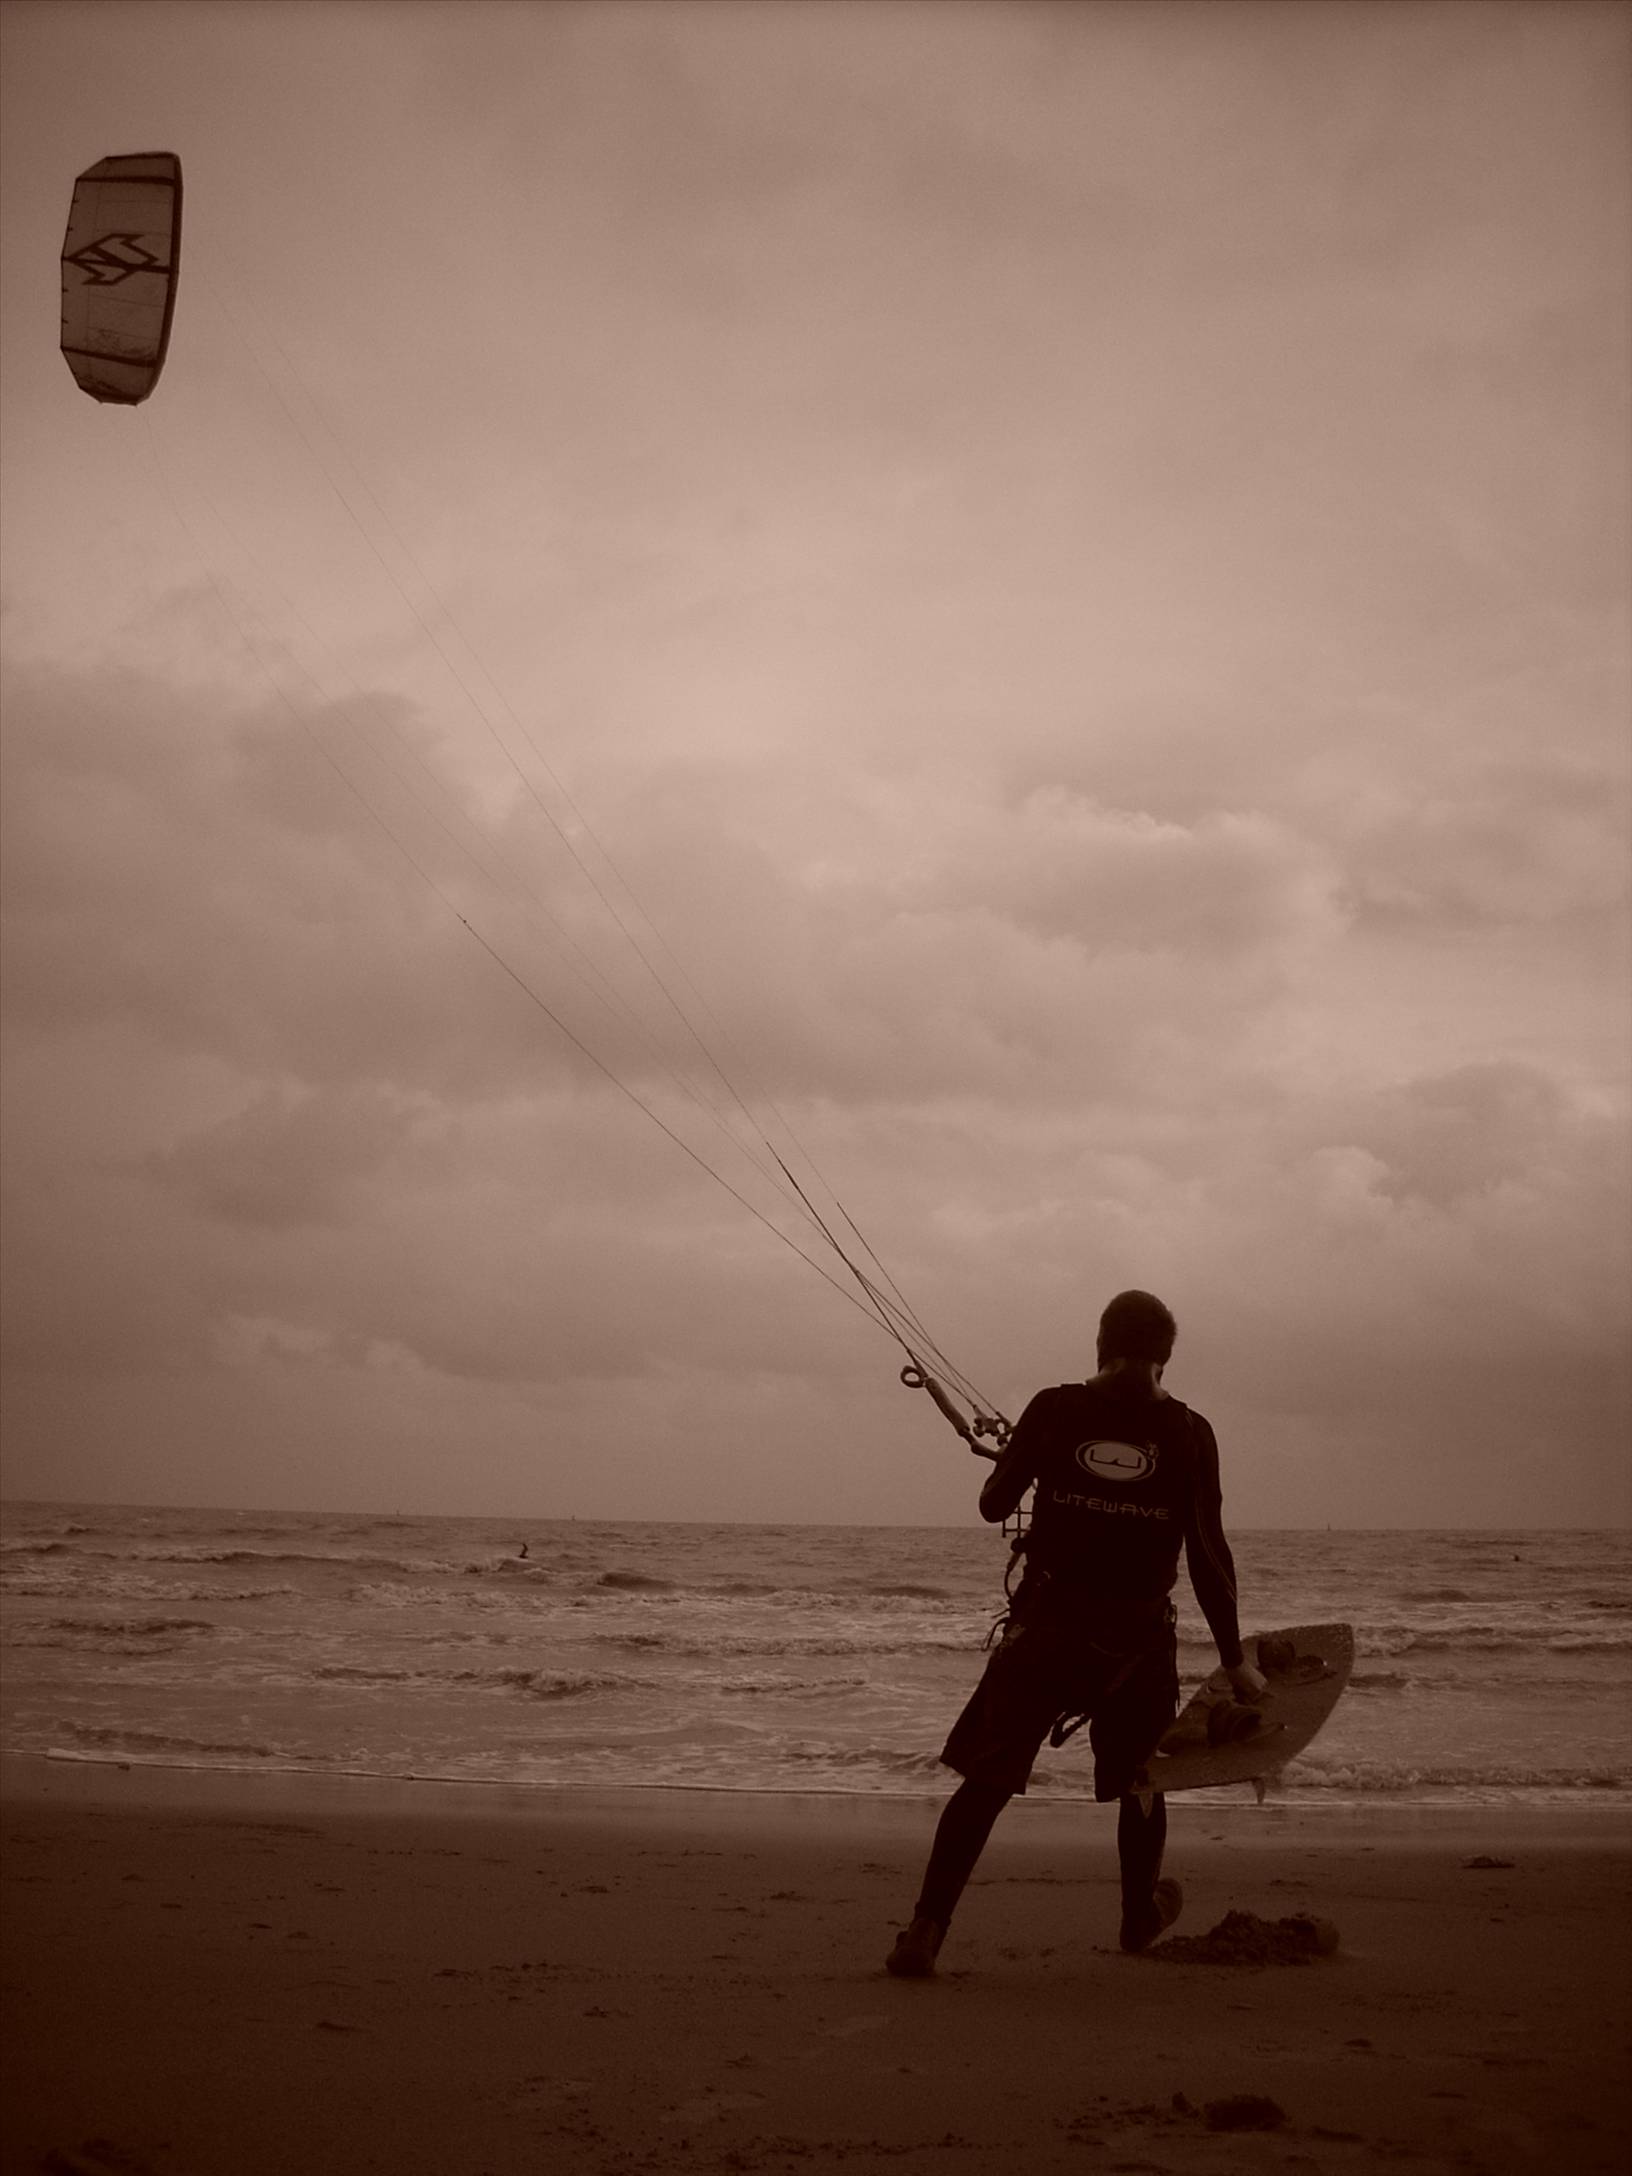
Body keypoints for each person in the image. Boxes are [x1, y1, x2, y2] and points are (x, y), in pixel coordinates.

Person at [885, 1289, 1266, 1976]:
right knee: (1140, 1784)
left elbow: (993, 1504)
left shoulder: (1054, 1408)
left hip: (1047, 1632)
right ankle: (1138, 1917)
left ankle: (925, 1930)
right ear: (1165, 1357)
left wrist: (1018, 1454)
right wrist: (1235, 1659)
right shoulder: (1189, 1432)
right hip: (1137, 1641)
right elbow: (1209, 1554)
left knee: (987, 1781)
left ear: (1101, 1346)